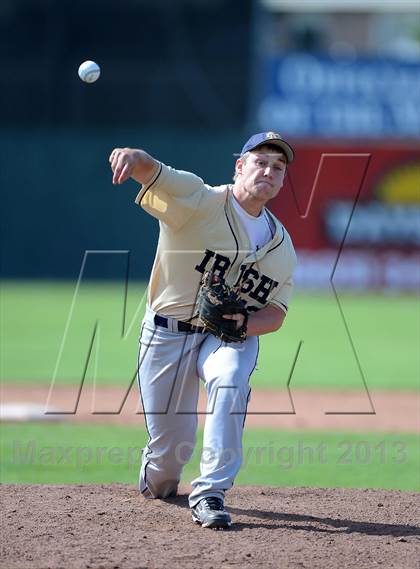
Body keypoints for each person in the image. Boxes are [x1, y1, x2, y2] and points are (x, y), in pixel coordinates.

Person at [109, 131, 297, 530]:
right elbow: (152, 171)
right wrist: (133, 154)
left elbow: (276, 313)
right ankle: (158, 478)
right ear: (240, 166)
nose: (269, 171)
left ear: (282, 181)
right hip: (167, 333)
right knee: (167, 461)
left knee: (230, 379)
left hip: (224, 336)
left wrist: (245, 322)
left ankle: (211, 491)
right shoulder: (200, 199)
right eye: (260, 161)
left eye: (278, 167)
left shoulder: (282, 246)